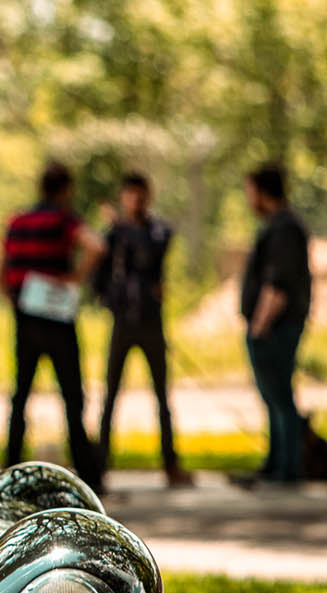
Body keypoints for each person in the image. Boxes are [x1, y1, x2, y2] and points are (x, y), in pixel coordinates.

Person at [0, 162, 105, 492]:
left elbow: (1, 269)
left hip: (26, 317)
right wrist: (73, 278)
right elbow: (97, 246)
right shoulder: (63, 221)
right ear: (66, 189)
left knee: (21, 395)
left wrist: (16, 299)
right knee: (72, 396)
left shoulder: (16, 221)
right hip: (58, 319)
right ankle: (89, 478)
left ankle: (9, 471)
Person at [93, 172, 193, 488]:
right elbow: (99, 275)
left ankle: (170, 463)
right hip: (123, 322)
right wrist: (112, 300)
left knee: (162, 395)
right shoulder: (112, 235)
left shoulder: (157, 231)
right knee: (110, 395)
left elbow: (152, 253)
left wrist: (123, 228)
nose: (135, 201)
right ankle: (100, 465)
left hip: (151, 323)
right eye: (130, 195)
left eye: (140, 195)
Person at [240, 163, 312, 485]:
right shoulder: (277, 225)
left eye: (250, 191)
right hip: (274, 326)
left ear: (263, 191)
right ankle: (274, 463)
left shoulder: (284, 229)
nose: (247, 198)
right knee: (272, 395)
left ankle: (288, 468)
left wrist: (259, 325)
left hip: (276, 327)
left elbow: (277, 284)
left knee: (280, 395)